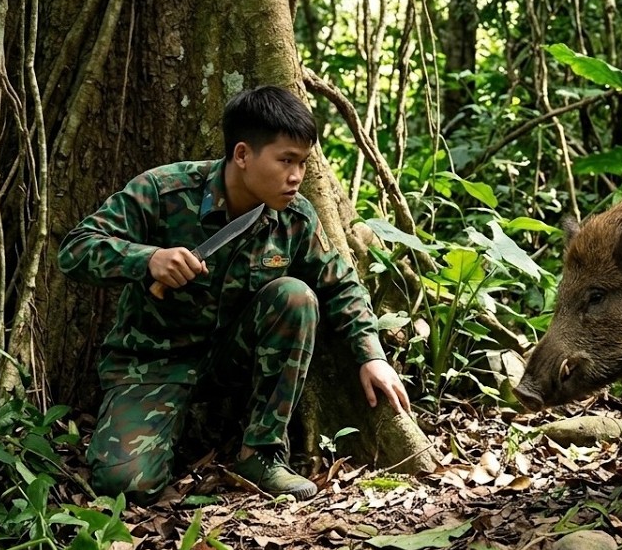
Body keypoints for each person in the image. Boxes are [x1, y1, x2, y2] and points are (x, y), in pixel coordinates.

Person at [58, 85, 411, 502]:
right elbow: (75, 250)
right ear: (243, 155)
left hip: (233, 361)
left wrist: (371, 355)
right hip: (153, 362)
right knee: (125, 486)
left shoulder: (295, 217)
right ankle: (167, 432)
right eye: (286, 161)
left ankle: (260, 453)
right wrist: (147, 259)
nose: (297, 176)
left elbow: (340, 284)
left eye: (302, 163)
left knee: (295, 296)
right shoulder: (165, 191)